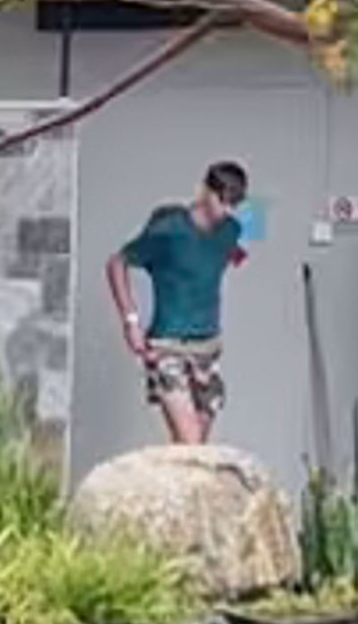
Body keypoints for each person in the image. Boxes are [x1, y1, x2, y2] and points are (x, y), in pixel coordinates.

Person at [104, 161, 259, 448]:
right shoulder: (168, 230)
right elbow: (117, 263)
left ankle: (169, 478)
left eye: (234, 204)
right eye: (222, 201)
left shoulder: (231, 230)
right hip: (167, 346)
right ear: (205, 191)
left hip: (207, 348)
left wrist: (229, 259)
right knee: (192, 444)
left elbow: (232, 254)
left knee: (194, 448)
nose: (226, 210)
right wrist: (131, 322)